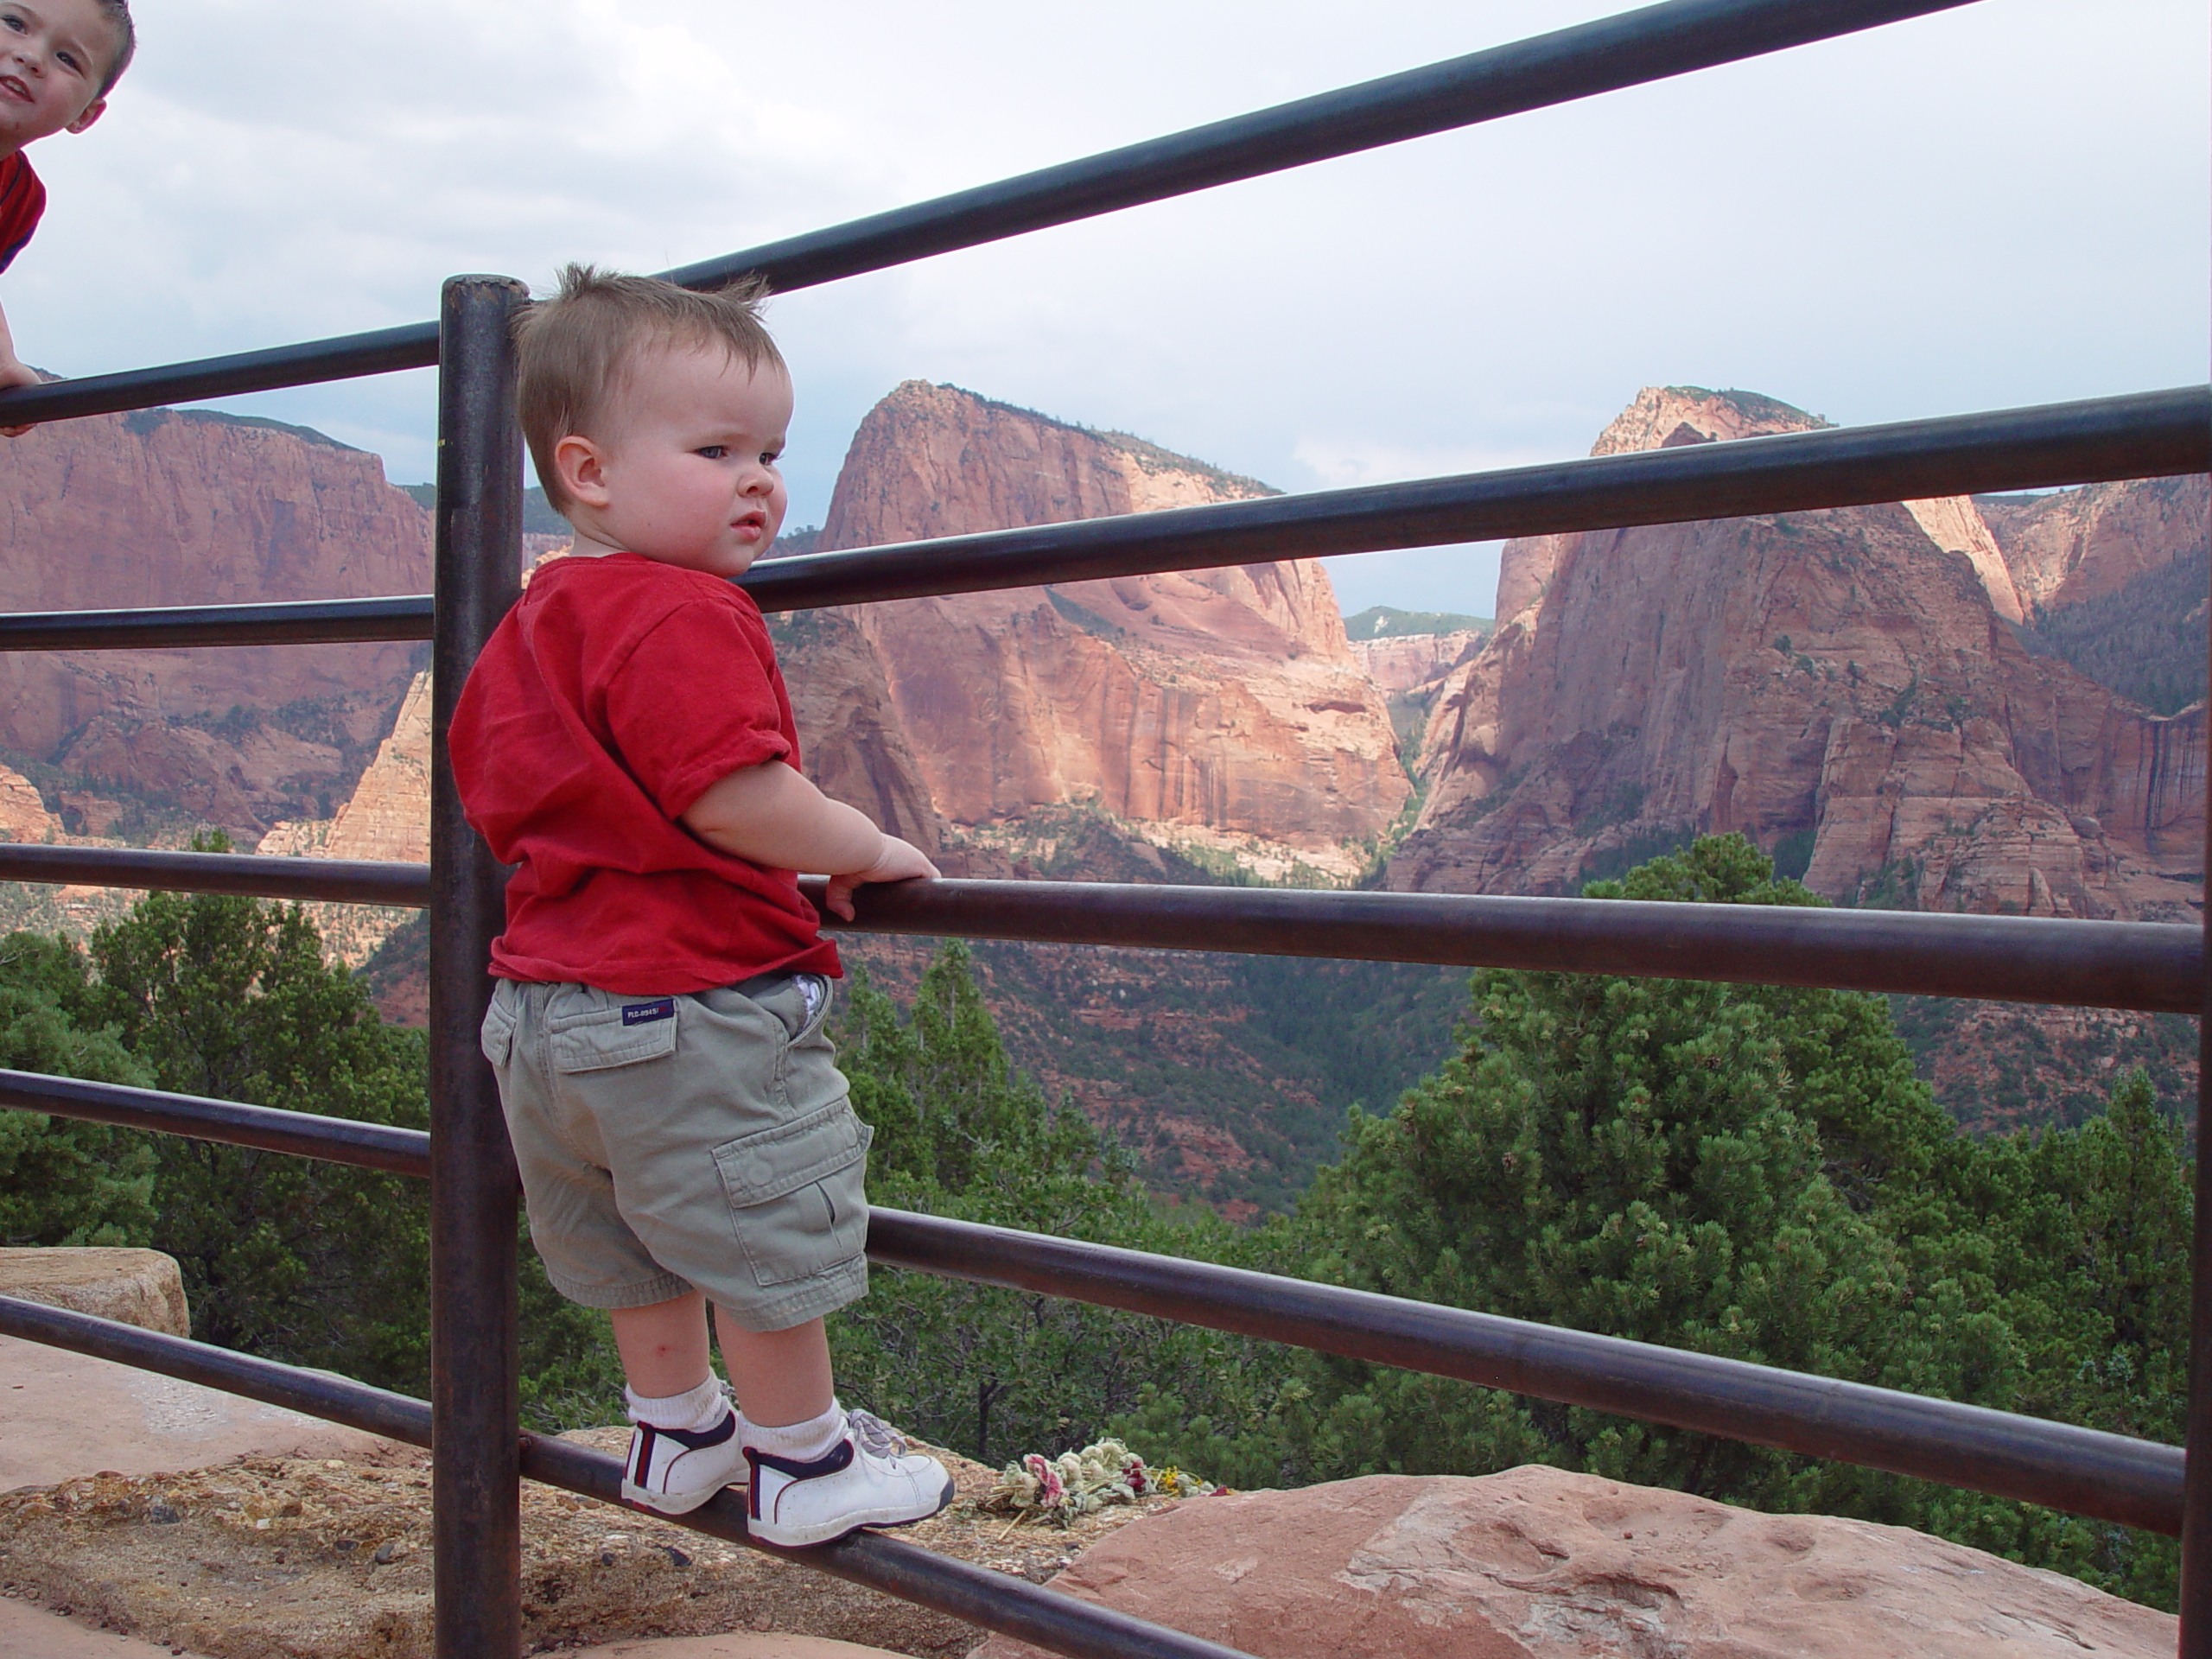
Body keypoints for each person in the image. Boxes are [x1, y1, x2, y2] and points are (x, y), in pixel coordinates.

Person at [448, 264, 950, 1548]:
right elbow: (732, 793)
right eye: (716, 447)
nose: (759, 480)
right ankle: (804, 1464)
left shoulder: (536, 616)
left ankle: (676, 1433)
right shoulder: (683, 610)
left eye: (773, 450)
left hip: (542, 1014)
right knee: (763, 1235)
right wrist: (865, 841)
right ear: (589, 470)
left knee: (629, 1239)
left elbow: (498, 786)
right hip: (687, 1010)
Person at [0, 0, 133, 435]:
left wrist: (4, 363)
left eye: (67, 59)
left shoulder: (18, 198)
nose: (31, 57)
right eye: (14, 23)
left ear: (86, 115)